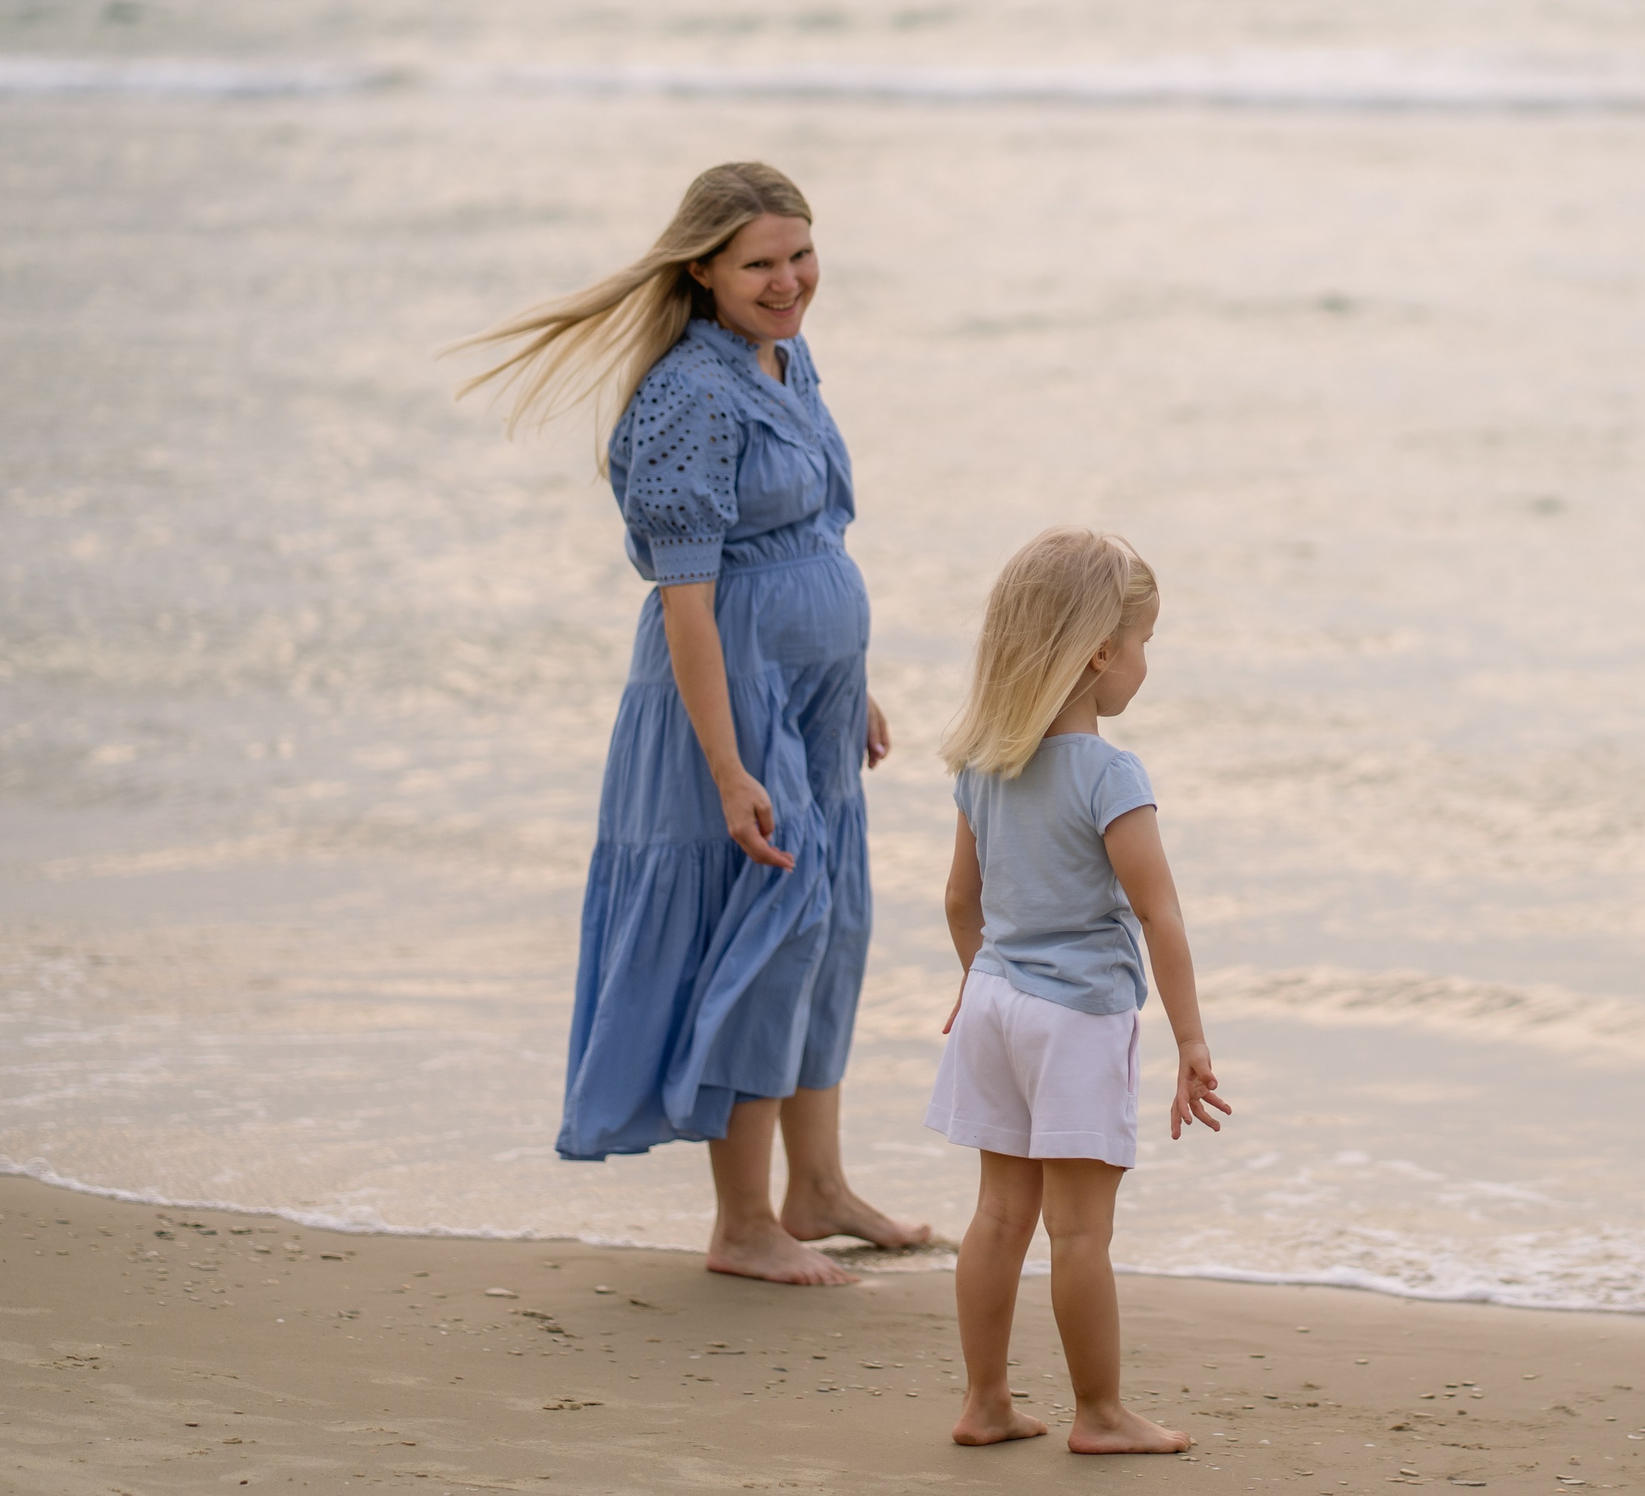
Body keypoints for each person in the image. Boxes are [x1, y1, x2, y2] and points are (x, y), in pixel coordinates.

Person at [452, 162, 928, 1285]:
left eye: (799, 255)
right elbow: (691, 600)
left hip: (806, 693)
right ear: (704, 270)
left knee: (828, 928)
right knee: (764, 933)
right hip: (729, 695)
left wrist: (847, 677)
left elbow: (806, 535)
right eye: (759, 263)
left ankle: (816, 1190)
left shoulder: (784, 359)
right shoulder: (688, 395)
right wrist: (726, 765)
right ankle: (742, 1223)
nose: (787, 281)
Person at [927, 528, 1230, 1453]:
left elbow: (959, 900)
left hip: (995, 1005)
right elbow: (1159, 916)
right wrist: (1189, 1040)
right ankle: (1100, 1412)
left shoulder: (984, 762)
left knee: (997, 1214)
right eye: (1144, 643)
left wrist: (976, 980)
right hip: (1077, 1018)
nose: (1145, 663)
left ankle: (984, 1401)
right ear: (1101, 652)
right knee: (1079, 1233)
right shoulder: (1108, 775)